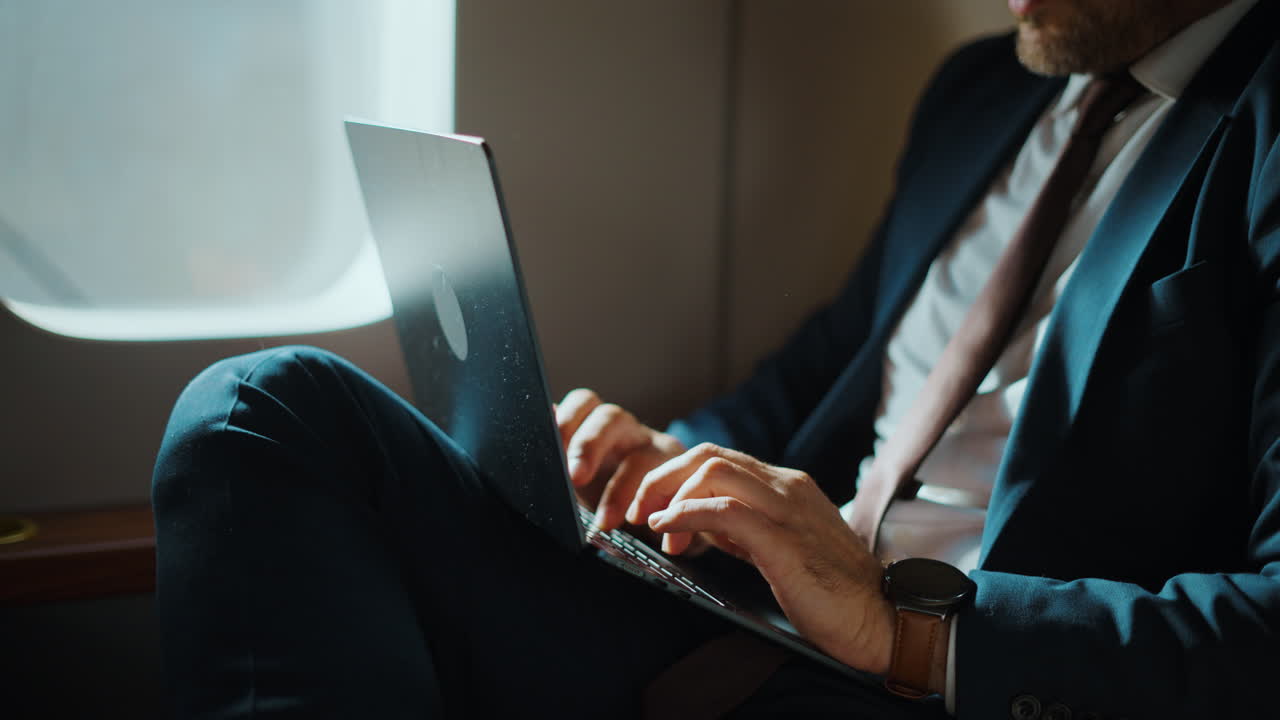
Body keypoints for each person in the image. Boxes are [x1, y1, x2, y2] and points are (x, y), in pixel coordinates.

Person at [153, 0, 1280, 717]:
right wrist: (664, 461)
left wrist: (902, 624)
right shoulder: (984, 92)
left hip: (945, 676)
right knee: (263, 410)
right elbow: (818, 378)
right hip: (753, 611)